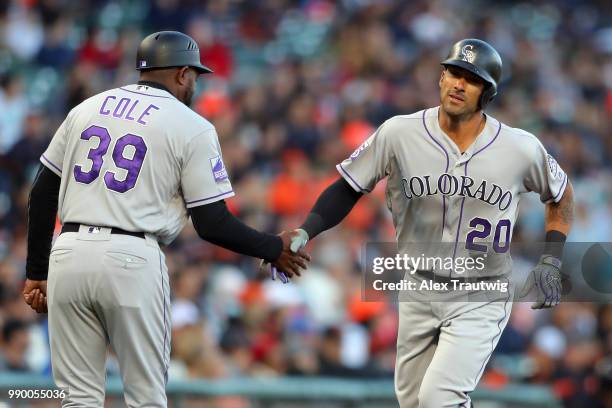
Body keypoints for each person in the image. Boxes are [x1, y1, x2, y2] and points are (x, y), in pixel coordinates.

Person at [22, 30, 309, 407]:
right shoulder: (191, 125)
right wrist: (273, 247)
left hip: (69, 253)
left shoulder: (87, 108)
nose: (195, 83)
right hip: (131, 256)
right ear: (180, 74)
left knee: (77, 399)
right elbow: (211, 223)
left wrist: (37, 271)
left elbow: (42, 193)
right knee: (145, 398)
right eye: (194, 75)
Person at [285, 38, 574, 407]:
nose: (458, 83)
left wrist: (551, 259)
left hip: (481, 292)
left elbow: (562, 195)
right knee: (413, 402)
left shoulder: (519, 148)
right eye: (454, 72)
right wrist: (307, 229)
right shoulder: (399, 133)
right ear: (440, 77)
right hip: (418, 286)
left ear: (488, 93)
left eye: (471, 79)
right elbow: (347, 188)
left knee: (440, 398)